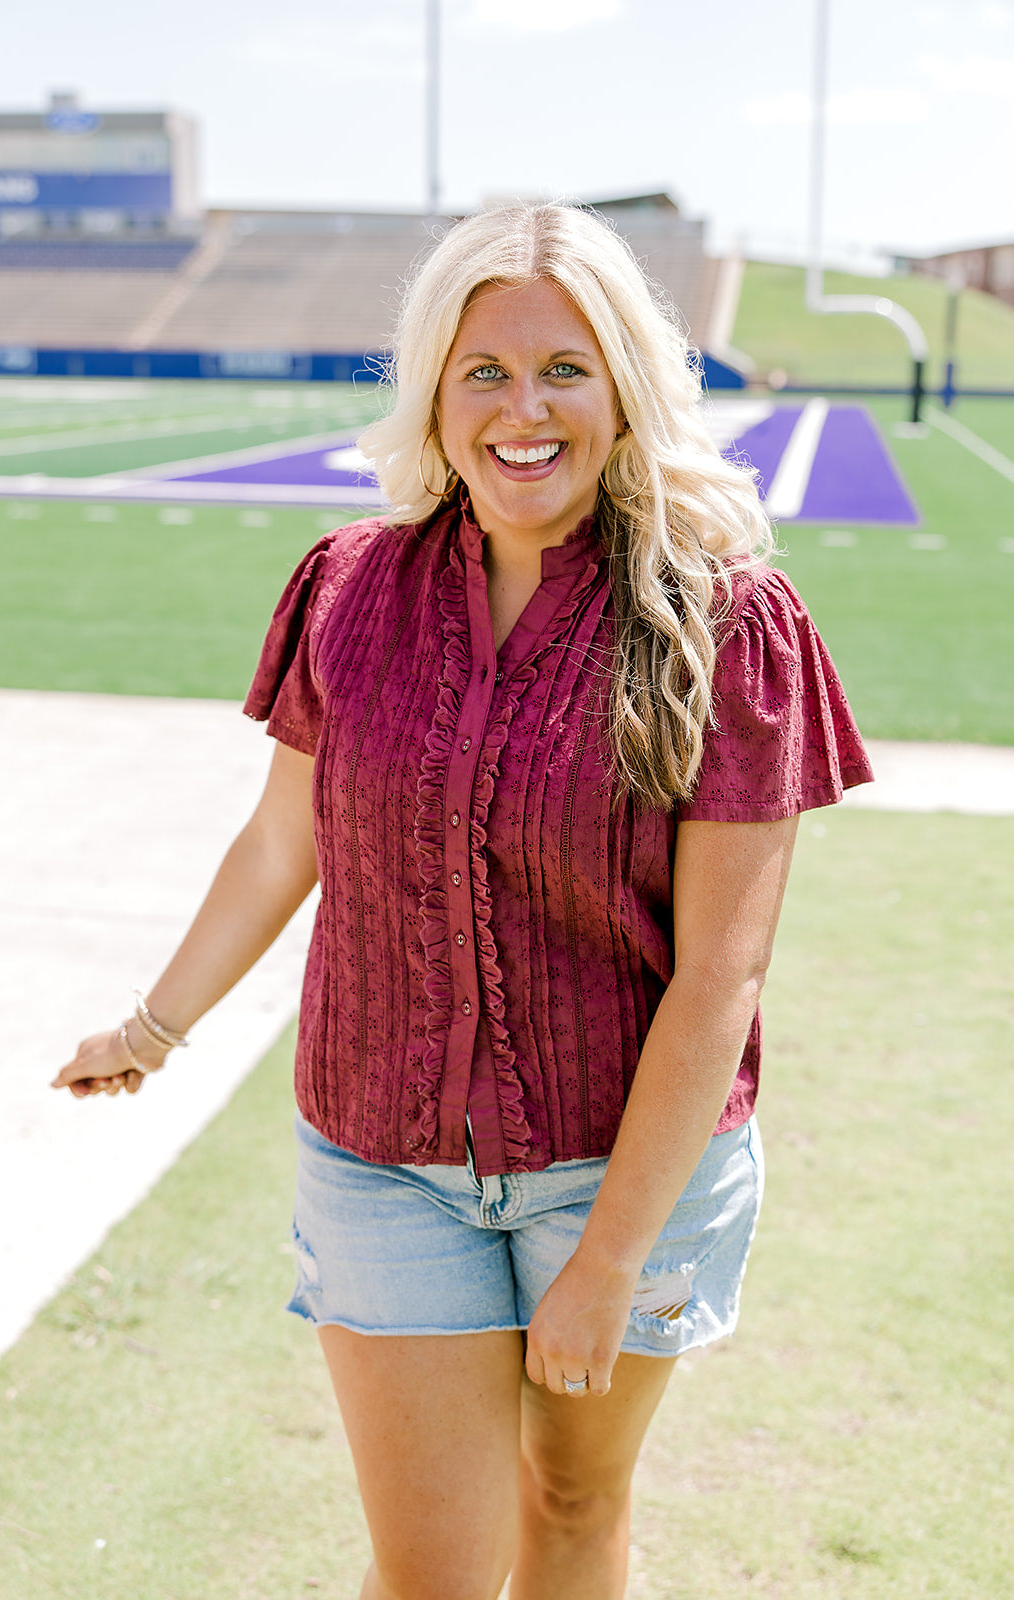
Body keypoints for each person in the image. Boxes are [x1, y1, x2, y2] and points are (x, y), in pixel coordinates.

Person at [53, 202, 873, 1600]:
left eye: (565, 368)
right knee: (432, 1571)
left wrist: (610, 1260)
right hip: (383, 1159)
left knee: (570, 1505)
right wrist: (157, 1023)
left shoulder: (729, 626)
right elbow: (279, 844)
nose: (524, 409)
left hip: (633, 1179)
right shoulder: (348, 587)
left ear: (624, 384)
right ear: (434, 388)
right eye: (484, 370)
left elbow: (718, 979)